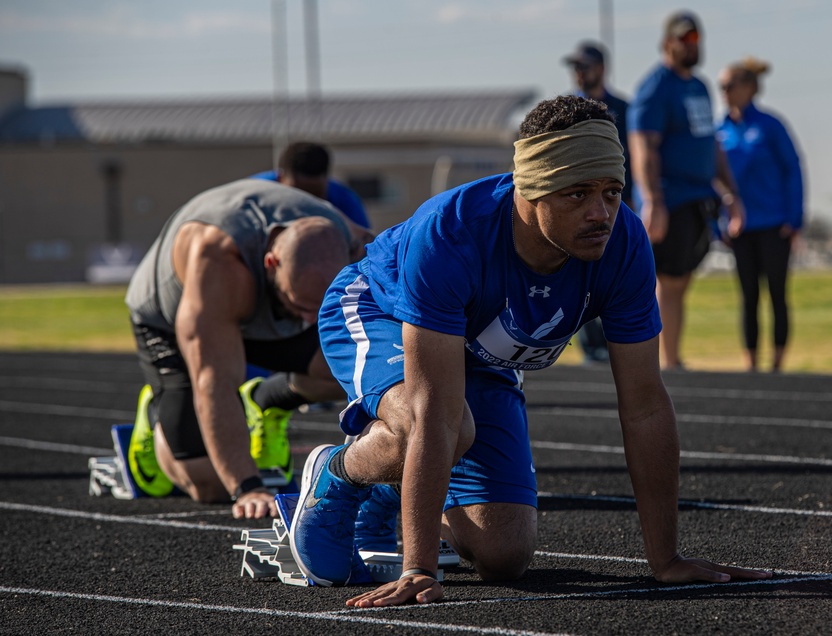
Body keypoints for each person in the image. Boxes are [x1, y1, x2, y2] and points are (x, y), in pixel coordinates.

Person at [289, 95, 771, 604]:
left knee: (504, 555)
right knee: (436, 426)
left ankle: (391, 490)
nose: (600, 213)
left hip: (481, 349)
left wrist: (666, 559)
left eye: (611, 192)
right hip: (381, 312)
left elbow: (646, 405)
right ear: (531, 188)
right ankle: (337, 474)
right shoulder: (449, 233)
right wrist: (419, 567)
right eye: (577, 194)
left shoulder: (624, 244)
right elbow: (436, 411)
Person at [124, 178, 374, 519]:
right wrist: (247, 486)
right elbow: (213, 383)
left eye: (316, 308)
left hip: (262, 308)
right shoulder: (219, 264)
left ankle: (265, 400)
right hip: (171, 321)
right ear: (271, 263)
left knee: (360, 370)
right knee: (209, 483)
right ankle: (158, 417)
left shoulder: (348, 237)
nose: (309, 320)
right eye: (300, 305)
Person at [628, 11, 744, 371]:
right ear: (667, 44)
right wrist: (654, 201)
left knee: (681, 281)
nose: (692, 46)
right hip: (670, 198)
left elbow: (713, 146)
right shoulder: (656, 88)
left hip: (699, 199)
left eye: (696, 39)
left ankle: (673, 357)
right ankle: (662, 361)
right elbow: (643, 147)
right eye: (684, 40)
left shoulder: (699, 86)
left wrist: (731, 194)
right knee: (667, 279)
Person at [715, 58, 805, 373]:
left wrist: (794, 219)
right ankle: (751, 364)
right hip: (740, 229)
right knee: (748, 296)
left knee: (777, 294)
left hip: (773, 225)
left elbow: (793, 170)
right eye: (721, 87)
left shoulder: (771, 125)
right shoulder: (720, 130)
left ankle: (777, 364)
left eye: (730, 85)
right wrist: (718, 224)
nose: (724, 92)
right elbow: (713, 180)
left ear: (749, 87)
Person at [562, 40, 633, 363]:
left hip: (619, 208)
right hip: (576, 211)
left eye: (584, 66)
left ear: (602, 68)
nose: (579, 73)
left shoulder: (624, 108)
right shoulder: (566, 110)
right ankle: (591, 351)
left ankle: (620, 346)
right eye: (575, 67)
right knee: (579, 276)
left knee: (618, 275)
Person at [252, 141, 371, 229]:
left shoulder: (344, 201)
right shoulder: (253, 195)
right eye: (298, 195)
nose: (307, 203)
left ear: (326, 180)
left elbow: (363, 245)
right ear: (280, 178)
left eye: (315, 195)